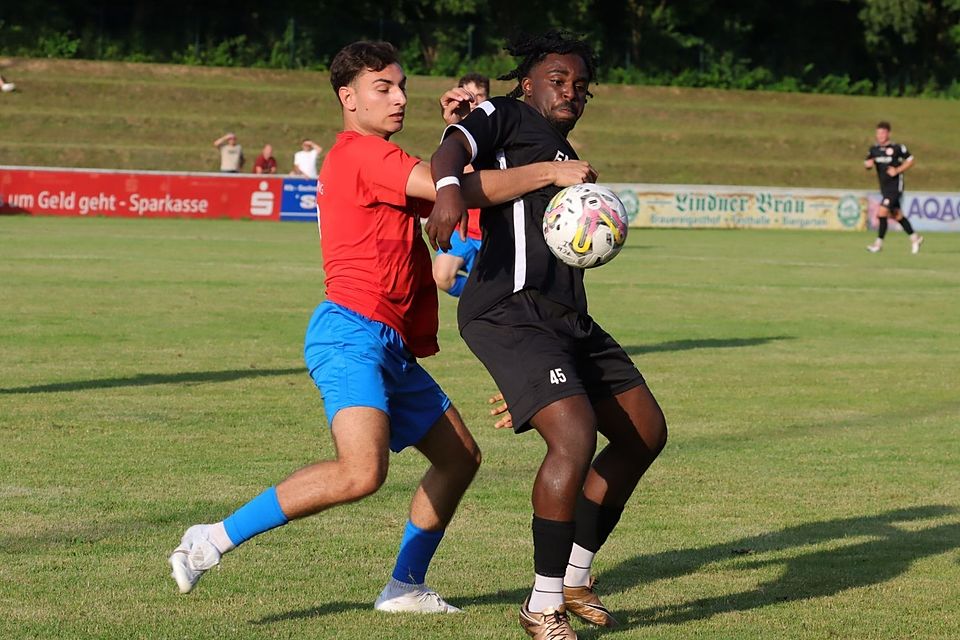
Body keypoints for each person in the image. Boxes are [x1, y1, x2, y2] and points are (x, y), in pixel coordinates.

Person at [167, 40, 596, 616]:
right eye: (383, 88)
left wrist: (461, 137)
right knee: (361, 471)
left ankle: (404, 587)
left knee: (459, 458)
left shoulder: (381, 160)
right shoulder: (361, 155)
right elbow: (460, 190)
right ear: (348, 98)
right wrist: (547, 170)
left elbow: (453, 198)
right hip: (349, 333)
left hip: (387, 343)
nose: (398, 100)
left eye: (401, 88)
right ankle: (211, 539)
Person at [428, 31, 668, 639]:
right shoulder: (504, 114)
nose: (571, 92)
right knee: (575, 437)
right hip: (508, 310)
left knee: (644, 434)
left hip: (564, 317)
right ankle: (541, 605)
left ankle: (578, 576)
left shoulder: (561, 147)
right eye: (559, 80)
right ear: (529, 81)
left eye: (581, 86)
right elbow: (452, 150)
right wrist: (451, 192)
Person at [433, 73, 491, 297]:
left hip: (492, 231)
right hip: (464, 231)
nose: (474, 101)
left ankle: (489, 298)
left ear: (488, 98)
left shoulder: (498, 132)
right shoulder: (454, 137)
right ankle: (481, 297)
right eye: (469, 96)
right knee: (442, 276)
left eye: (480, 95)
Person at [864, 121, 922, 254]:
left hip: (896, 187)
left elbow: (911, 160)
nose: (880, 135)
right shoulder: (874, 149)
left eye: (883, 133)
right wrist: (867, 164)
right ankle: (915, 238)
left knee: (882, 212)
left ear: (888, 133)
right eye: (878, 133)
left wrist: (897, 170)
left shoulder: (897, 148)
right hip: (884, 188)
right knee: (897, 215)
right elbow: (867, 163)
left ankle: (878, 244)